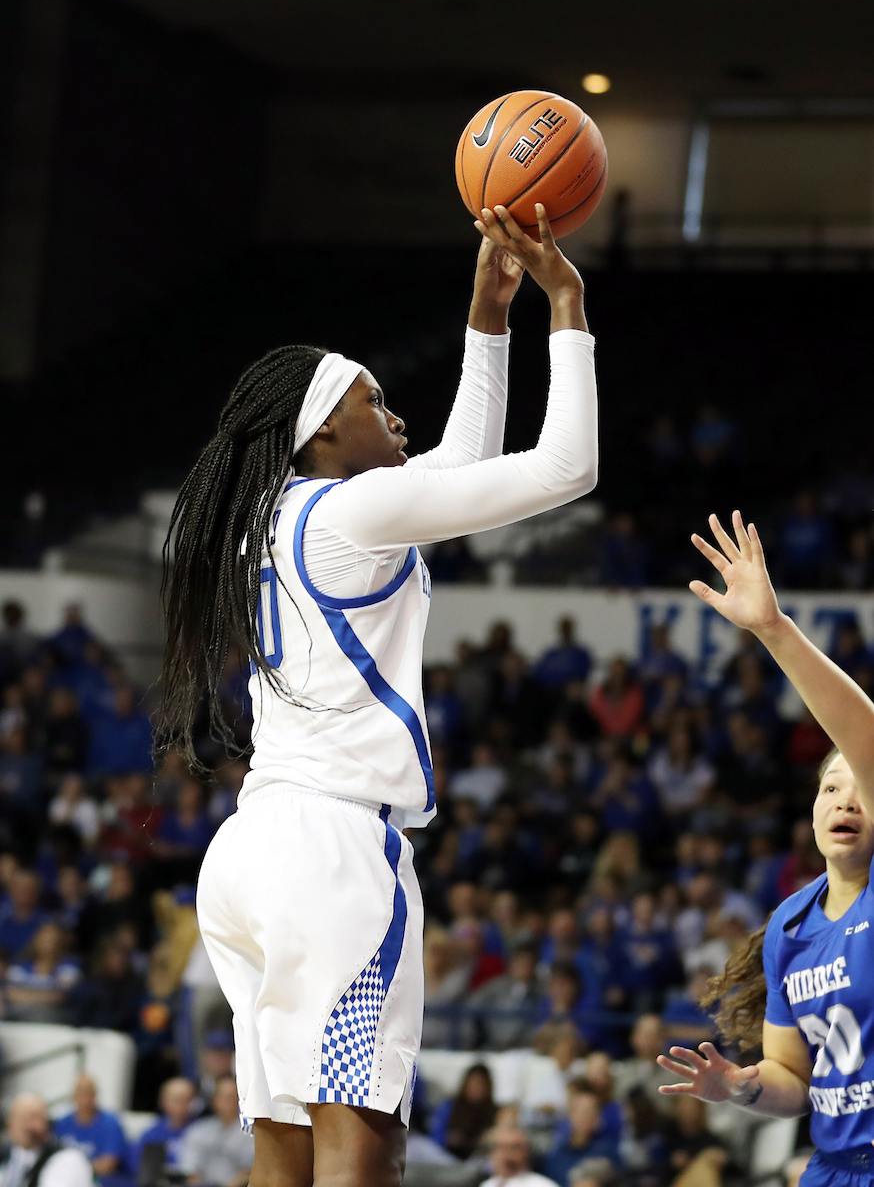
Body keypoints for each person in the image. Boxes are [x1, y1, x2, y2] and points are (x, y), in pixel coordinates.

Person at [157, 202, 598, 1187]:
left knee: (283, 1150)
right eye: (372, 399)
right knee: (363, 1152)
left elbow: (458, 466)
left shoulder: (274, 519)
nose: (394, 416)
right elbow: (567, 467)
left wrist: (489, 315)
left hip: (251, 852)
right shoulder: (355, 512)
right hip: (333, 855)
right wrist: (565, 302)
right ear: (321, 432)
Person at [657, 511, 874, 1187]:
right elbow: (791, 1081)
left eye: (860, 786)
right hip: (834, 1168)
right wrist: (740, 1087)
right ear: (810, 813)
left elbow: (865, 732)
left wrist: (772, 630)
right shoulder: (791, 924)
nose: (845, 800)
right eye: (829, 788)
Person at [0, 1093, 93, 1186]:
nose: (25, 1126)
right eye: (19, 1118)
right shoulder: (9, 1156)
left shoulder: (67, 1159)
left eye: (32, 1117)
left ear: (47, 1122)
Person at [178, 1075, 255, 1187]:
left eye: (232, 1097)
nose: (227, 1102)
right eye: (222, 1097)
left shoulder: (252, 1133)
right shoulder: (197, 1130)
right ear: (214, 1100)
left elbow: (250, 1171)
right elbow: (189, 1170)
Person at [53, 1073, 128, 1180]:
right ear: (73, 1096)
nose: (85, 1098)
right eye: (81, 1093)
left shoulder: (111, 1123)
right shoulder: (63, 1123)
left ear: (95, 1095)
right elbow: (54, 1157)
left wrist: (77, 1170)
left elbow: (109, 1163)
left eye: (88, 1093)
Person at [133, 1077, 196, 1174]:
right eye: (176, 1099)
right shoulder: (151, 1134)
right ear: (163, 1101)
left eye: (186, 1100)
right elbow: (139, 1165)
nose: (181, 1105)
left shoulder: (200, 1132)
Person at [480, 1127, 560, 1187]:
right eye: (501, 1148)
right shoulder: (487, 1185)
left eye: (514, 1148)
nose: (507, 1154)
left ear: (526, 1151)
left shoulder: (542, 1185)